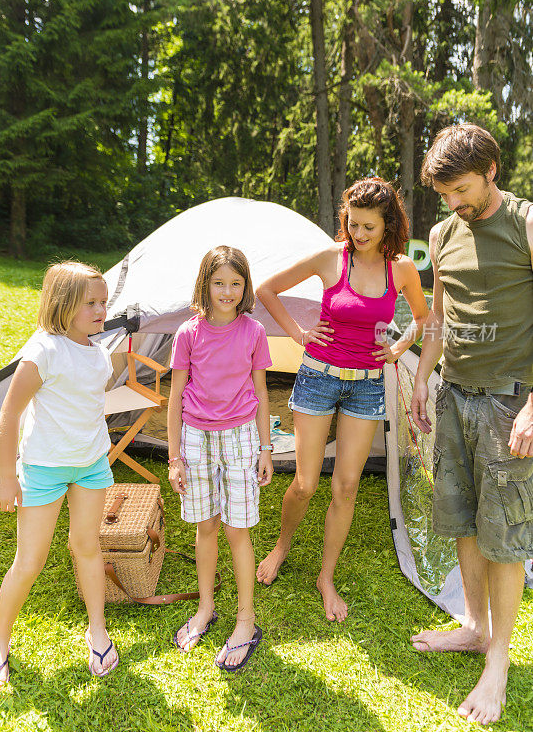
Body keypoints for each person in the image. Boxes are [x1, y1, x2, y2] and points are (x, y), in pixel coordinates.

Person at [256, 177, 429, 620]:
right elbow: (266, 290)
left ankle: (326, 576)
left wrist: (398, 346)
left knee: (346, 486)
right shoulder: (330, 259)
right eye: (353, 224)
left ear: (389, 225)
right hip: (318, 377)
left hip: (368, 384)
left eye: (369, 227)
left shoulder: (402, 269)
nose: (359, 234)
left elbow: (426, 318)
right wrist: (297, 333)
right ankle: (282, 546)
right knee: (306, 483)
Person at [410, 123, 533, 725]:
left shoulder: (526, 224)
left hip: (511, 403)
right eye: (445, 194)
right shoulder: (439, 235)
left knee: (503, 534)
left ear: (491, 171)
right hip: (453, 395)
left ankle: (499, 662)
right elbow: (437, 315)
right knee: (461, 518)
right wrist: (421, 376)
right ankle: (476, 628)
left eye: (461, 189)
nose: (454, 203)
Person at [0, 262, 118, 686]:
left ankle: (97, 629)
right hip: (43, 468)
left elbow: (84, 402)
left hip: (90, 465)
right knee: (30, 561)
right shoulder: (42, 350)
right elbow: (8, 413)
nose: (101, 310)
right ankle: (0, 642)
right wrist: (7, 476)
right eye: (90, 303)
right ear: (62, 304)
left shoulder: (98, 351)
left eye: (103, 302)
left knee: (87, 547)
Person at [167, 245, 273, 671]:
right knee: (206, 527)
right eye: (219, 283)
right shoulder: (187, 334)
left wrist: (266, 449)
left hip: (241, 438)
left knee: (236, 530)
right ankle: (206, 608)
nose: (227, 292)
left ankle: (245, 619)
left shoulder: (254, 332)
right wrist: (174, 456)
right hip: (194, 439)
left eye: (235, 283)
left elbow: (262, 393)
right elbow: (175, 397)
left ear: (245, 287)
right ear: (204, 285)